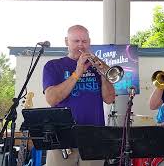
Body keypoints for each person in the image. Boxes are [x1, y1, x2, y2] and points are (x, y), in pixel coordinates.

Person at [42, 25, 115, 166]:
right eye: (76, 41)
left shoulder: (97, 66)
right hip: (62, 138)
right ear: (66, 41)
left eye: (84, 41)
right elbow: (52, 99)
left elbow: (109, 99)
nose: (81, 45)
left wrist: (104, 77)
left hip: (94, 136)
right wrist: (77, 73)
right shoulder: (53, 66)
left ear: (89, 42)